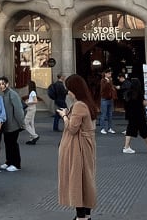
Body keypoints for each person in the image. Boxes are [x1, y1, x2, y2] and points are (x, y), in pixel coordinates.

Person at [57, 74, 98, 220]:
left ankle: (80, 216)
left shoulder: (80, 104)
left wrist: (64, 116)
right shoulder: (87, 102)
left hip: (78, 146)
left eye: (69, 89)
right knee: (86, 179)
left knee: (77, 179)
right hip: (86, 145)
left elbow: (73, 128)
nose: (68, 92)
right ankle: (86, 215)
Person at [121, 78, 147, 155]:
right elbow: (142, 104)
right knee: (144, 130)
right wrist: (146, 103)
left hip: (131, 114)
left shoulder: (127, 93)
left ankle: (126, 147)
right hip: (139, 114)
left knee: (130, 130)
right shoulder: (139, 93)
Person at [0, 77, 25, 171]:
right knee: (7, 144)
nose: (1, 86)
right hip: (7, 124)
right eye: (0, 84)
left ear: (7, 84)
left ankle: (16, 164)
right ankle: (9, 161)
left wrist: (21, 123)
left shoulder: (12, 94)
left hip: (13, 124)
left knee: (13, 144)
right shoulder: (4, 94)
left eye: (3, 83)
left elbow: (18, 110)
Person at [24, 80, 41, 145]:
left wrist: (28, 102)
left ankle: (35, 136)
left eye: (28, 85)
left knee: (25, 123)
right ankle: (32, 139)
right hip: (32, 108)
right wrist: (28, 100)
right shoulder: (32, 92)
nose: (27, 86)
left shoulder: (32, 92)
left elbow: (36, 101)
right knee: (31, 124)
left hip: (31, 109)